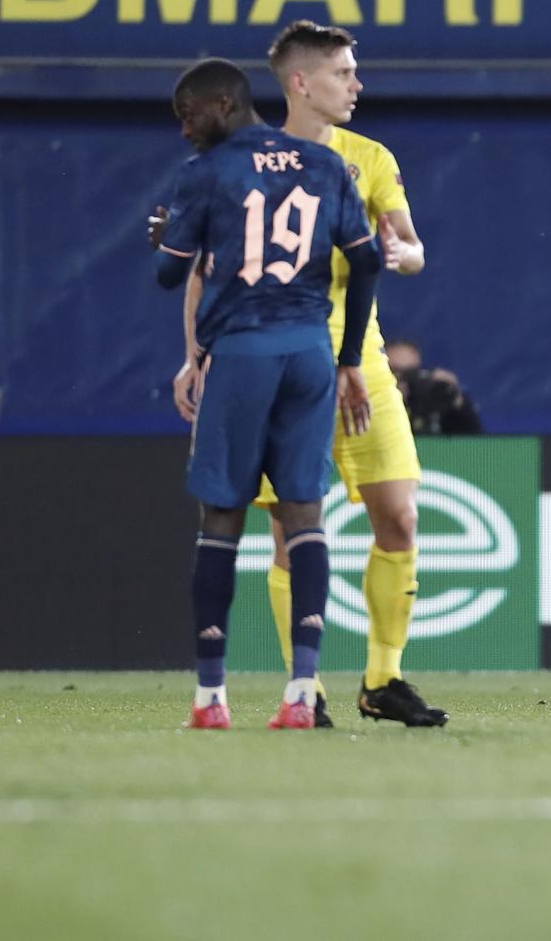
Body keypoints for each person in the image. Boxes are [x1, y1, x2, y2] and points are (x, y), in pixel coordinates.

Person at [175, 22, 447, 728]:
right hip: (268, 356)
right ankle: (308, 687)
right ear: (301, 83)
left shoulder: (369, 158)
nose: (357, 85)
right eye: (343, 74)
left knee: (400, 516)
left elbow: (412, 247)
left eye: (354, 72)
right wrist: (193, 355)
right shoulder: (242, 162)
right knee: (293, 528)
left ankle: (383, 678)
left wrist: (400, 252)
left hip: (360, 362)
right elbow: (204, 272)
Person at [151, 58, 380, 730]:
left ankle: (211, 698)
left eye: (190, 116)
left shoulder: (207, 173)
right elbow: (365, 262)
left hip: (243, 353)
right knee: (305, 516)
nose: (186, 131)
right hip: (309, 350)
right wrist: (347, 358)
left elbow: (170, 276)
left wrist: (165, 238)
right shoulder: (323, 163)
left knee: (222, 519)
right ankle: (302, 693)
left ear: (224, 104)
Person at [384, 338, 484, 436]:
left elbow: (476, 444)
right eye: (394, 372)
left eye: (411, 373)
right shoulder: (373, 405)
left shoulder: (435, 405)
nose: (404, 382)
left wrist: (455, 398)